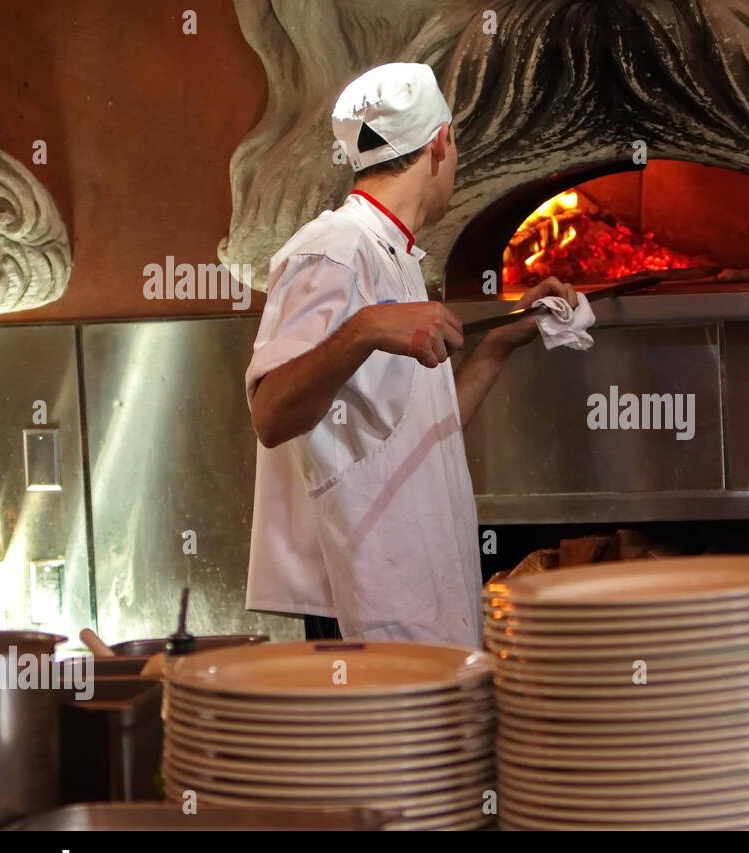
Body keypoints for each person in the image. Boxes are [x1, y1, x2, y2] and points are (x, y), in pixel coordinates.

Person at [244, 62, 577, 646]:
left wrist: (500, 342)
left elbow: (414, 427)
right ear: (442, 142)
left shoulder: (394, 254)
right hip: (361, 605)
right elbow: (270, 414)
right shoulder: (334, 249)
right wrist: (365, 328)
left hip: (413, 596)